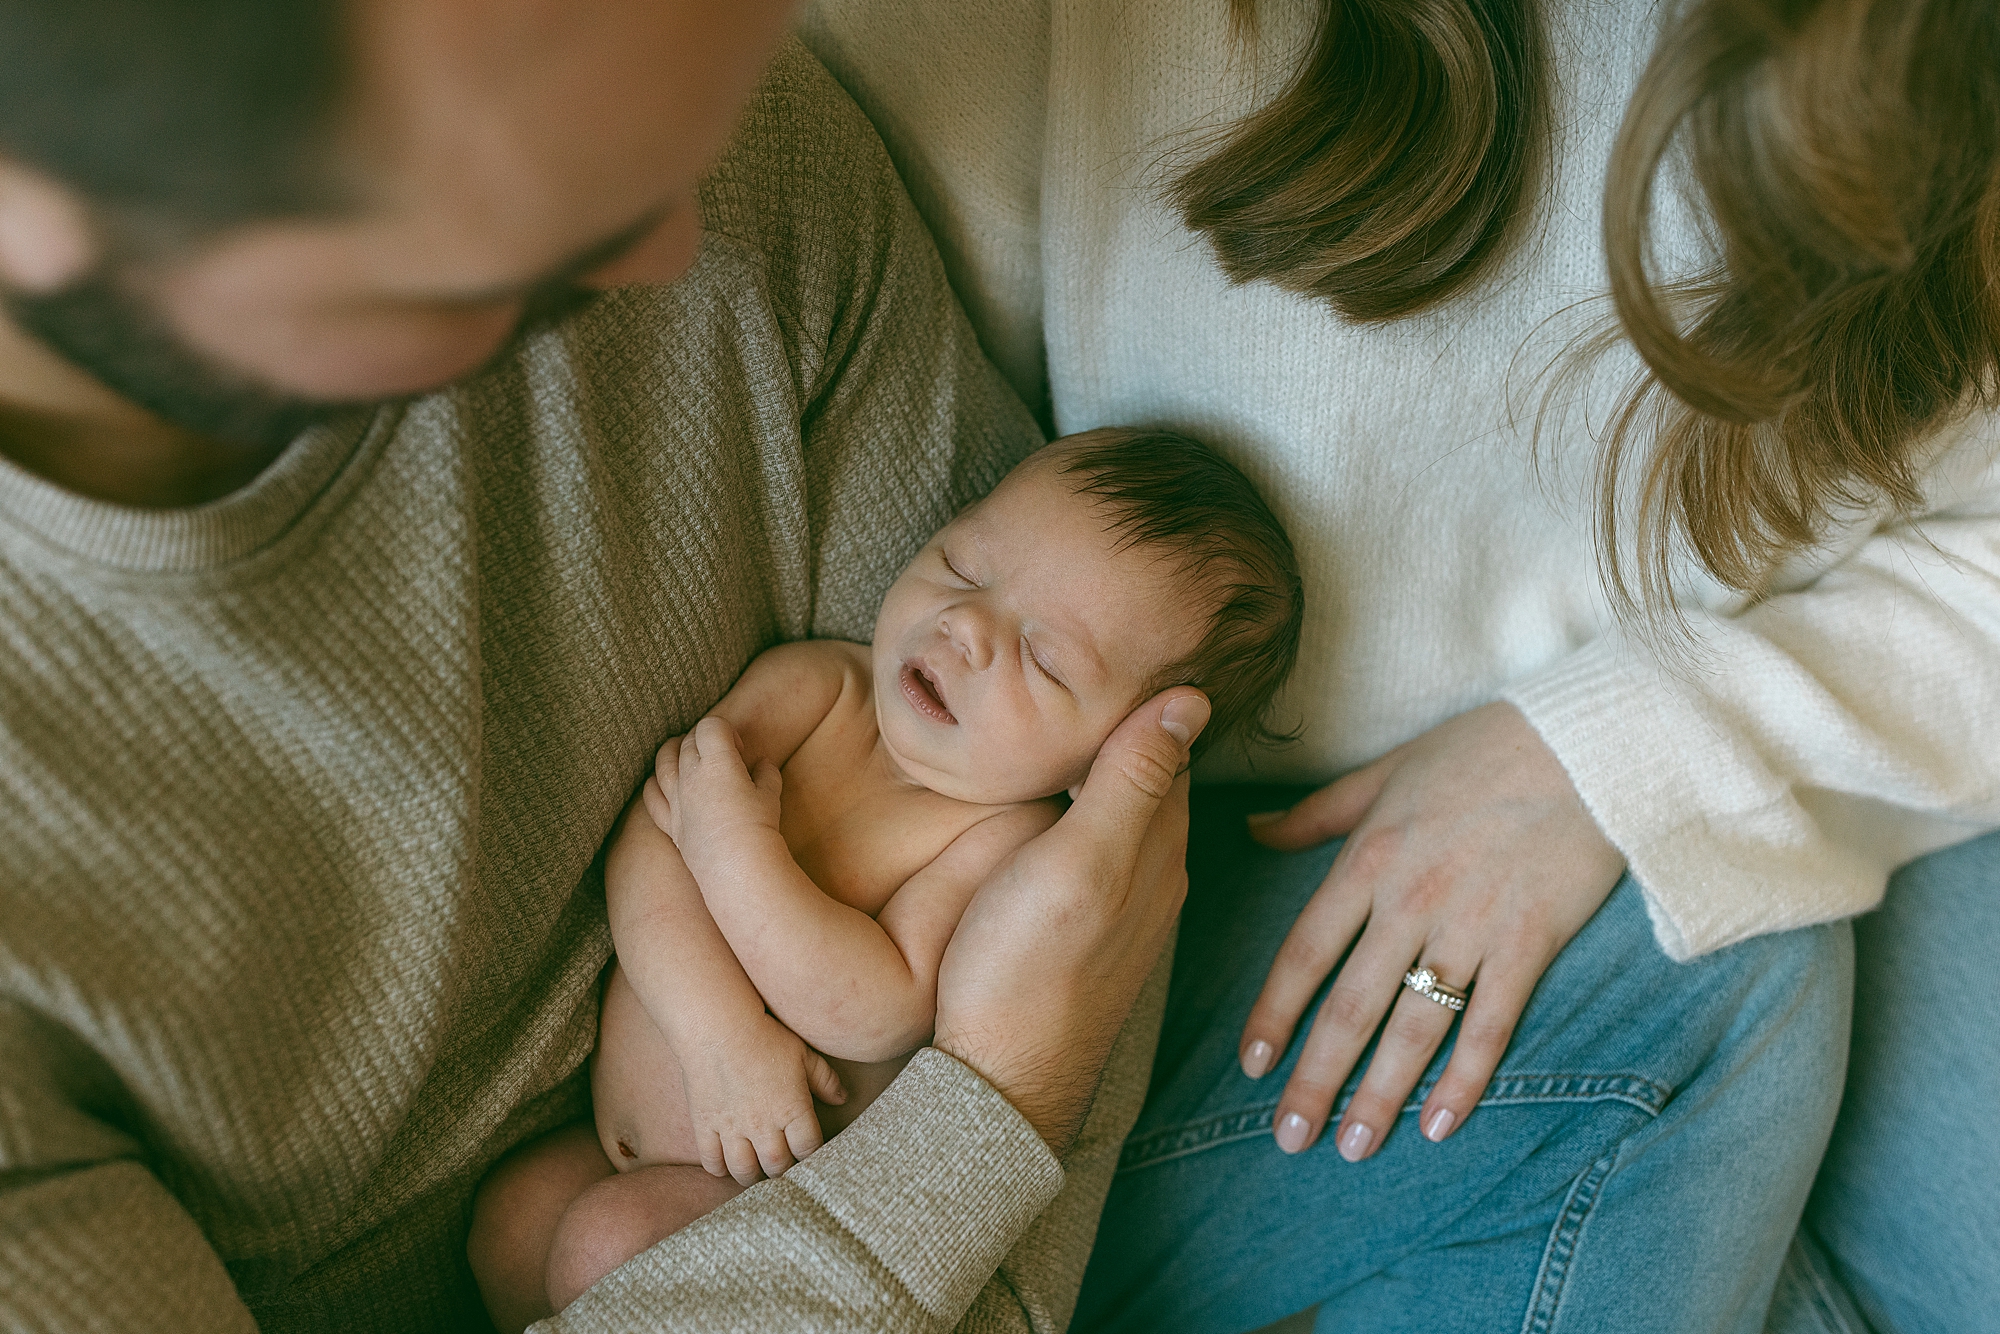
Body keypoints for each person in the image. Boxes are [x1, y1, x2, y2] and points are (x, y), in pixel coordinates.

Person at [800, 0, 2000, 1329]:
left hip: (1764, 680)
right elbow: (869, 452)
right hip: (1076, 843)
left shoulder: (1942, 105)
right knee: (1723, 973)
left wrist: (1614, 750)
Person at [0, 4, 1202, 1330]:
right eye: (513, 235)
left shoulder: (717, 147)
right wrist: (997, 1102)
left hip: (951, 1185)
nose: (679, 249)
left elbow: (1093, 876)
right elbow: (1040, 1032)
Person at [468, 428, 1304, 1331]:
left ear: (1104, 766)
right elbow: (648, 841)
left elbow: (874, 1006)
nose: (968, 625)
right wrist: (714, 1035)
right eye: (963, 563)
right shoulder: (819, 684)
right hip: (627, 1124)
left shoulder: (1001, 840)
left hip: (766, 1205)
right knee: (511, 1220)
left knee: (606, 1245)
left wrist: (729, 845)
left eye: (1045, 658)